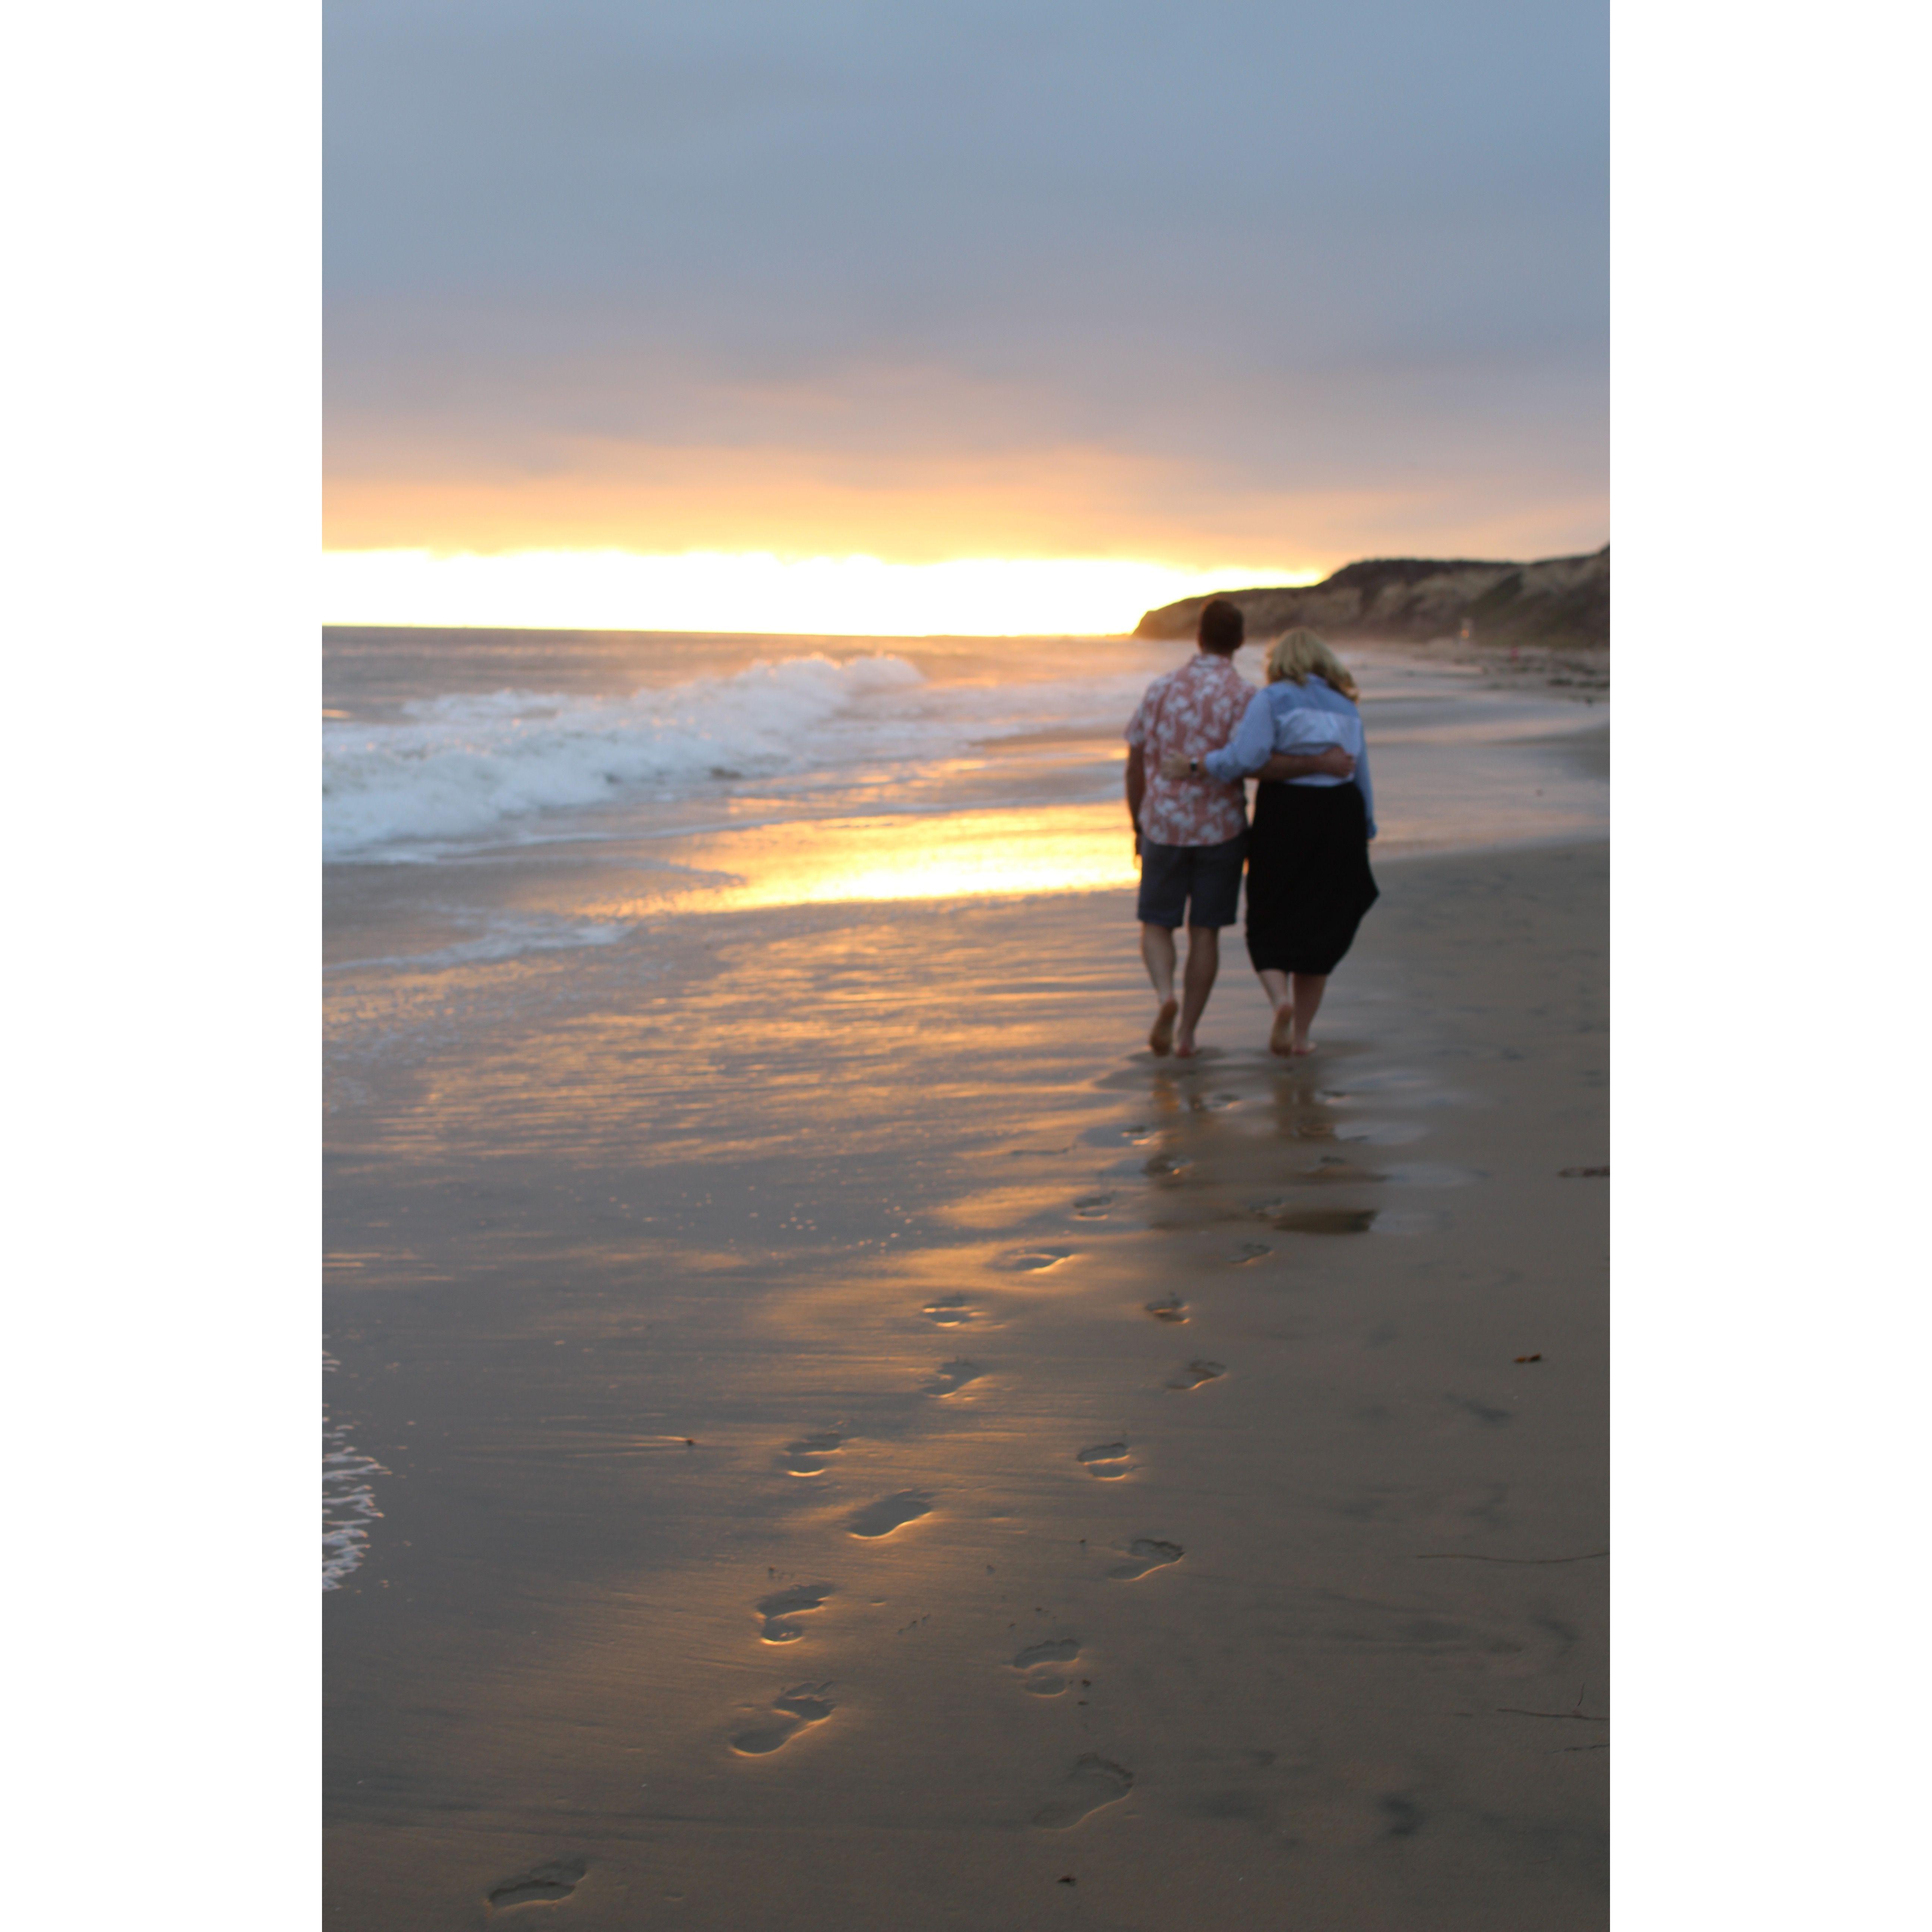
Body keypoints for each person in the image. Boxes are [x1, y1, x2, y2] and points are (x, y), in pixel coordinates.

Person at [1126, 602, 1355, 1058]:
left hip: (1164, 824)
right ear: (1240, 642)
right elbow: (1258, 763)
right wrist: (1319, 763)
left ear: (1198, 637)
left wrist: (1139, 821)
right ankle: (1188, 1034)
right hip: (1222, 829)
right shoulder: (1247, 696)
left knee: (1156, 923)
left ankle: (1163, 996)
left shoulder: (1161, 689)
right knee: (1205, 932)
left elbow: (1135, 758)